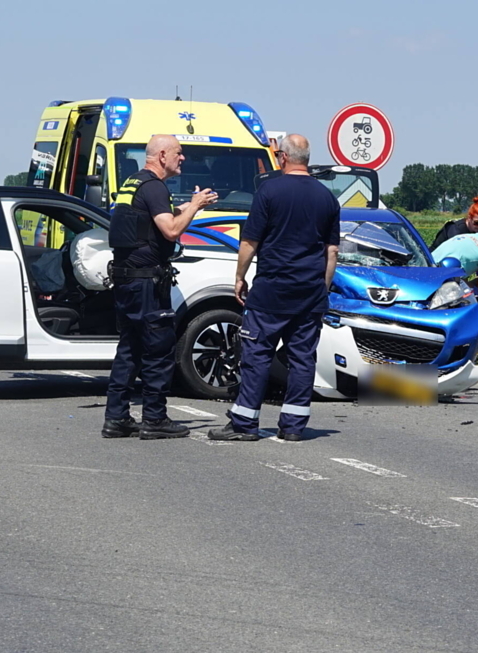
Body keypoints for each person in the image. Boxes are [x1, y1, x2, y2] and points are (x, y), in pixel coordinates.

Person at [208, 134, 340, 442]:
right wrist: (321, 288)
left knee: (257, 356)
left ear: (282, 157)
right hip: (309, 294)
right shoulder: (327, 198)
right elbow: (331, 252)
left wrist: (239, 277)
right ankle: (294, 426)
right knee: (302, 359)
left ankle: (244, 424)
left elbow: (249, 242)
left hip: (271, 291)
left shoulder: (269, 191)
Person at [102, 135, 219, 439]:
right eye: (179, 154)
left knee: (129, 349)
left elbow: (153, 221)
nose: (183, 159)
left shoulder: (134, 183)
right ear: (163, 154)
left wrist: (191, 206)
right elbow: (170, 230)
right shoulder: (154, 187)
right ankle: (154, 419)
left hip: (128, 279)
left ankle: (116, 418)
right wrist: (193, 206)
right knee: (157, 349)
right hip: (146, 282)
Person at [431, 225, 478, 301]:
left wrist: (472, 288)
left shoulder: (467, 235)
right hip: (441, 278)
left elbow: (462, 275)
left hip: (427, 265)